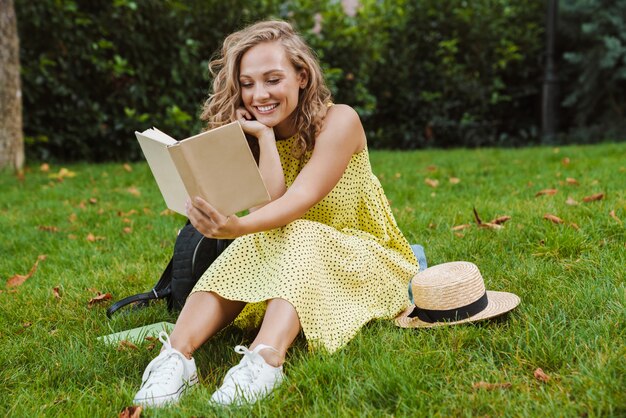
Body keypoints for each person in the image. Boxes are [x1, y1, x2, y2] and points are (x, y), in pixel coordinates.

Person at [132, 19, 420, 408]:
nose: (258, 94)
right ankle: (175, 359)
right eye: (247, 84)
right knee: (264, 235)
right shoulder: (254, 130)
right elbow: (269, 212)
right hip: (291, 259)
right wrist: (265, 139)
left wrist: (236, 227)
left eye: (272, 79)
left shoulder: (341, 121)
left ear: (302, 76)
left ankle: (266, 360)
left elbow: (297, 202)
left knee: (292, 230)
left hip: (364, 256)